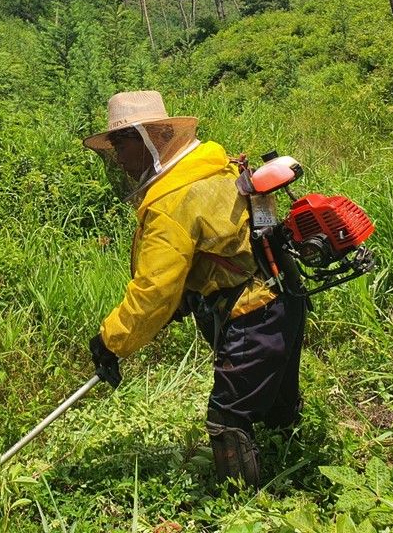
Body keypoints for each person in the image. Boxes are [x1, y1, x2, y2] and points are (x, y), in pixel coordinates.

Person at [84, 90, 307, 491]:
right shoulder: (215, 167)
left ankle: (242, 506)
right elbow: (221, 249)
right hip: (286, 298)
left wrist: (110, 341)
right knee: (277, 401)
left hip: (252, 314)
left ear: (149, 140)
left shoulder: (172, 201)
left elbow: (153, 289)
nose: (118, 159)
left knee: (228, 417)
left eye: (121, 145)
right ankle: (293, 463)